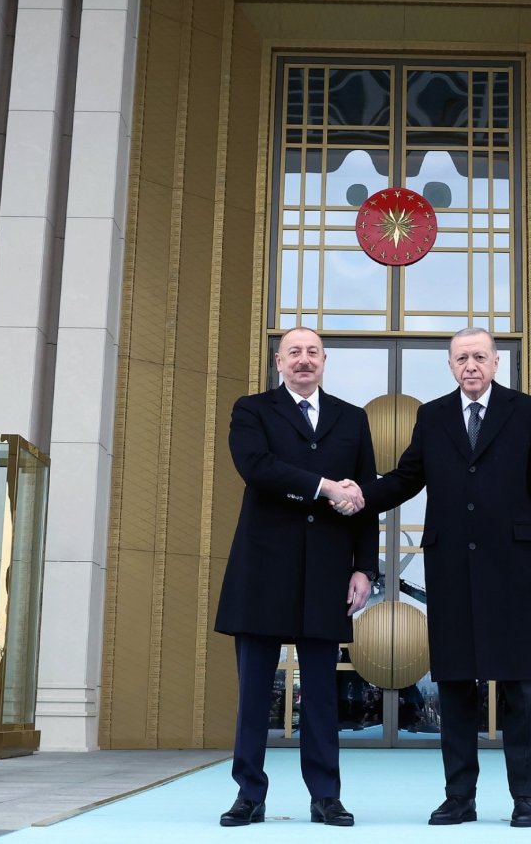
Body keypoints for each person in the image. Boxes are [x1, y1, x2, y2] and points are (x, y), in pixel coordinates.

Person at [360, 326, 531, 829]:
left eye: (479, 357)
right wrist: (361, 495)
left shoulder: (527, 411)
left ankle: (526, 800)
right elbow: (408, 478)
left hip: (512, 566)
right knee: (454, 685)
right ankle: (459, 798)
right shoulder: (432, 417)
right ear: (451, 367)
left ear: (496, 363)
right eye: (460, 359)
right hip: (450, 566)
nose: (470, 366)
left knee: (521, 688)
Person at [213, 326, 378, 828]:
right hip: (263, 568)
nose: (303, 360)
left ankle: (326, 795)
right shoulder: (252, 410)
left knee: (324, 696)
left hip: (328, 570)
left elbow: (364, 499)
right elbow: (257, 467)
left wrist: (365, 568)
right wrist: (326, 487)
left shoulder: (353, 419)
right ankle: (249, 794)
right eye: (294, 353)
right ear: (278, 361)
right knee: (255, 692)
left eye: (312, 353)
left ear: (324, 361)